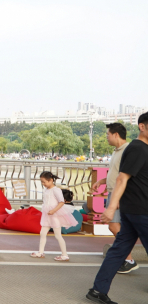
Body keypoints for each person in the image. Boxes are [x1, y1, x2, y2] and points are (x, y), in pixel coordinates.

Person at [87, 113, 148, 304]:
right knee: (118, 251)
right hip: (141, 210)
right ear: (142, 127)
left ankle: (98, 291)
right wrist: (111, 208)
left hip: (134, 209)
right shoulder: (138, 148)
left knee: (118, 252)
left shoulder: (138, 149)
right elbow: (122, 178)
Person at [90, 122, 135, 273]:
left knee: (114, 226)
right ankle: (127, 258)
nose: (106, 137)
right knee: (118, 226)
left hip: (119, 193)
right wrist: (102, 181)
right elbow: (115, 172)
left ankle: (128, 259)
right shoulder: (117, 151)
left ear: (116, 134)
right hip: (113, 192)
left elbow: (126, 176)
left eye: (108, 135)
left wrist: (118, 199)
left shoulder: (128, 150)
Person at [30, 171, 77, 261]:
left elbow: (61, 202)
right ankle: (40, 252)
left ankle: (64, 254)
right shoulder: (46, 190)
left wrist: (54, 210)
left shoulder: (56, 190)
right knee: (43, 233)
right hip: (47, 214)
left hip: (55, 214)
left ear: (51, 180)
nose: (43, 184)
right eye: (42, 182)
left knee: (58, 235)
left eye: (44, 182)